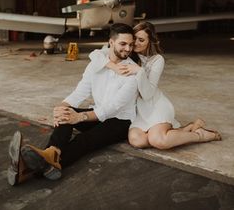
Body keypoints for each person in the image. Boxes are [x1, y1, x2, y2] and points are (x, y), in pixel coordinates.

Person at [7, 23, 138, 185]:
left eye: (131, 45)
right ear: (111, 42)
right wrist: (62, 107)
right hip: (98, 113)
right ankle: (50, 154)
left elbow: (112, 107)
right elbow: (81, 91)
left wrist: (80, 117)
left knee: (84, 140)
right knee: (67, 113)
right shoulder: (97, 63)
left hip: (121, 121)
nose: (128, 48)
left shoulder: (132, 72)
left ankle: (29, 167)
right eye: (123, 44)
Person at [89, 21, 221, 150]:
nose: (135, 43)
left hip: (154, 105)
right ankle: (188, 127)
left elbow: (147, 95)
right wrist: (113, 67)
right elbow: (94, 54)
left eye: (141, 40)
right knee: (137, 141)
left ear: (149, 42)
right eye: (134, 39)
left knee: (158, 140)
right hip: (136, 111)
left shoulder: (157, 60)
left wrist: (140, 71)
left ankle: (199, 135)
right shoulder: (125, 51)